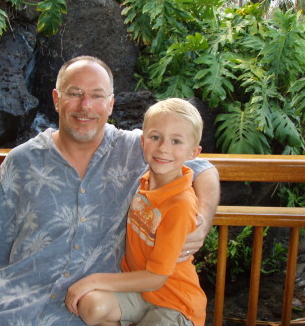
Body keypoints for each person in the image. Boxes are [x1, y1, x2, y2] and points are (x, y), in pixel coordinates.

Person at [0, 56, 219, 326]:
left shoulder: (138, 150)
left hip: (82, 312)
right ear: (56, 99)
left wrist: (201, 221)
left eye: (97, 96)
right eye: (75, 94)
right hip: (13, 305)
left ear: (111, 104)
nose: (85, 106)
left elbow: (203, 167)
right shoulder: (20, 161)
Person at [65, 98, 206, 326]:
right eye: (155, 137)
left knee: (90, 290)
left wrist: (92, 280)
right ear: (142, 141)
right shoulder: (146, 180)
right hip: (138, 292)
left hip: (174, 302)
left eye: (176, 141)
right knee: (91, 306)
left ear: (193, 152)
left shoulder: (180, 204)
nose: (163, 148)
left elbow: (156, 278)